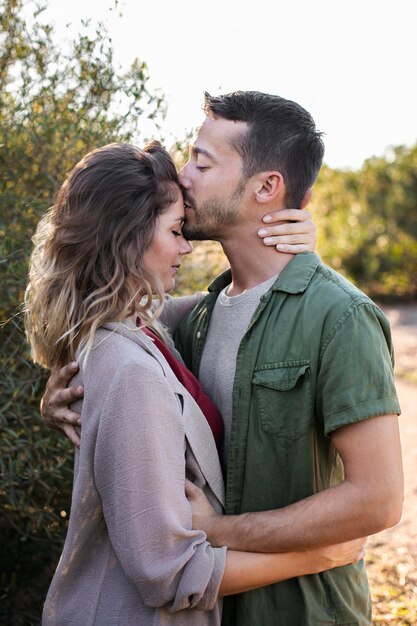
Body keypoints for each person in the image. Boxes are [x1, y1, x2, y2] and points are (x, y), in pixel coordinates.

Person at [41, 91, 403, 626]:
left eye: (202, 162)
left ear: (266, 187)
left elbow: (378, 501)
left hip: (300, 613)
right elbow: (108, 318)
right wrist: (61, 380)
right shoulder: (199, 317)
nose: (184, 177)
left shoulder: (339, 317)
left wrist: (217, 530)